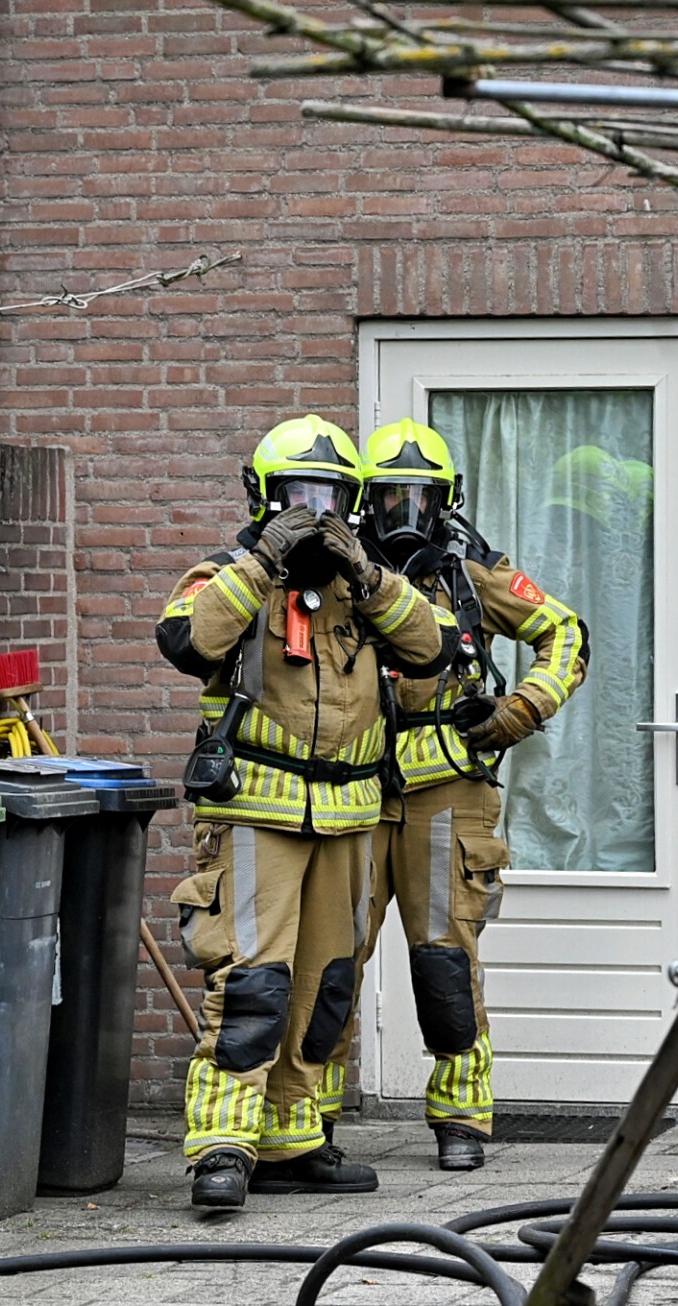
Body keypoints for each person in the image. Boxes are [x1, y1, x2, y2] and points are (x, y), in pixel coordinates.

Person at [156, 415, 451, 1208]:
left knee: (327, 987)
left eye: (327, 495)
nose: (311, 508)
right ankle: (221, 1147)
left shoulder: (368, 584)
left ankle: (291, 1139)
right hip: (256, 810)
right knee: (252, 982)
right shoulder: (227, 573)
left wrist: (369, 572)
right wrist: (263, 561)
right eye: (295, 492)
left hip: (351, 815)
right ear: (263, 495)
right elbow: (186, 641)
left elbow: (432, 650)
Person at [331, 416, 588, 1171]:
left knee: (445, 958)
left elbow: (564, 633)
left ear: (446, 501)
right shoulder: (338, 576)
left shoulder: (472, 572)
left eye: (420, 500)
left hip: (448, 789)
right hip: (350, 791)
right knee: (332, 955)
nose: (403, 517)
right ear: (363, 504)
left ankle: (461, 1120)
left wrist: (520, 711)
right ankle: (309, 1121)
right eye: (388, 502)